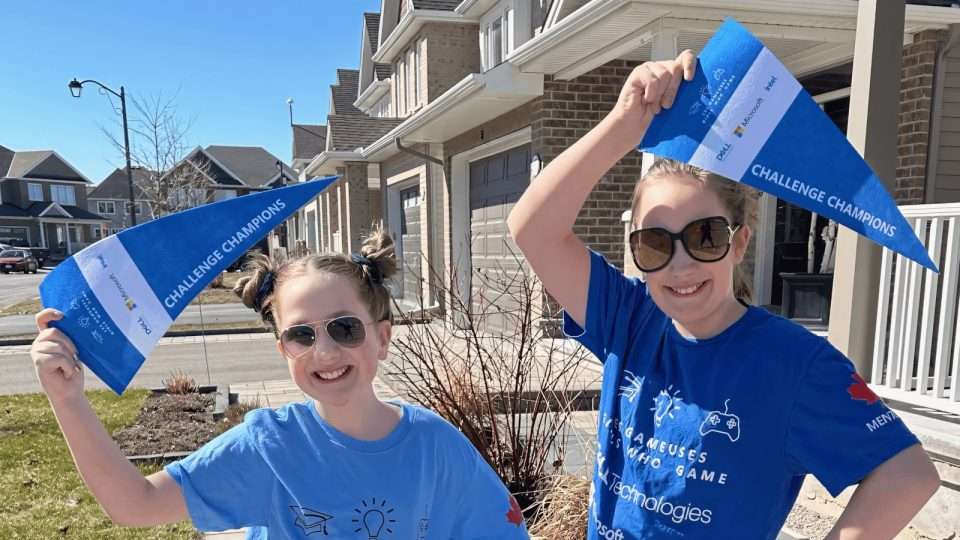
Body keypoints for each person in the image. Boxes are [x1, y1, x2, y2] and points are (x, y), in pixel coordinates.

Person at [506, 50, 939, 539]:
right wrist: (624, 126)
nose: (680, 264)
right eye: (655, 243)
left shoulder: (791, 362)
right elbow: (533, 229)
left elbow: (908, 472)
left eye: (704, 236)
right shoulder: (629, 317)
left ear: (738, 243)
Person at [30, 227, 529, 539]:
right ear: (283, 350)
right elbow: (133, 505)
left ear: (381, 337)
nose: (326, 351)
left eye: (344, 328)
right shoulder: (269, 445)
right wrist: (68, 398)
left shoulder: (436, 446)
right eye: (301, 335)